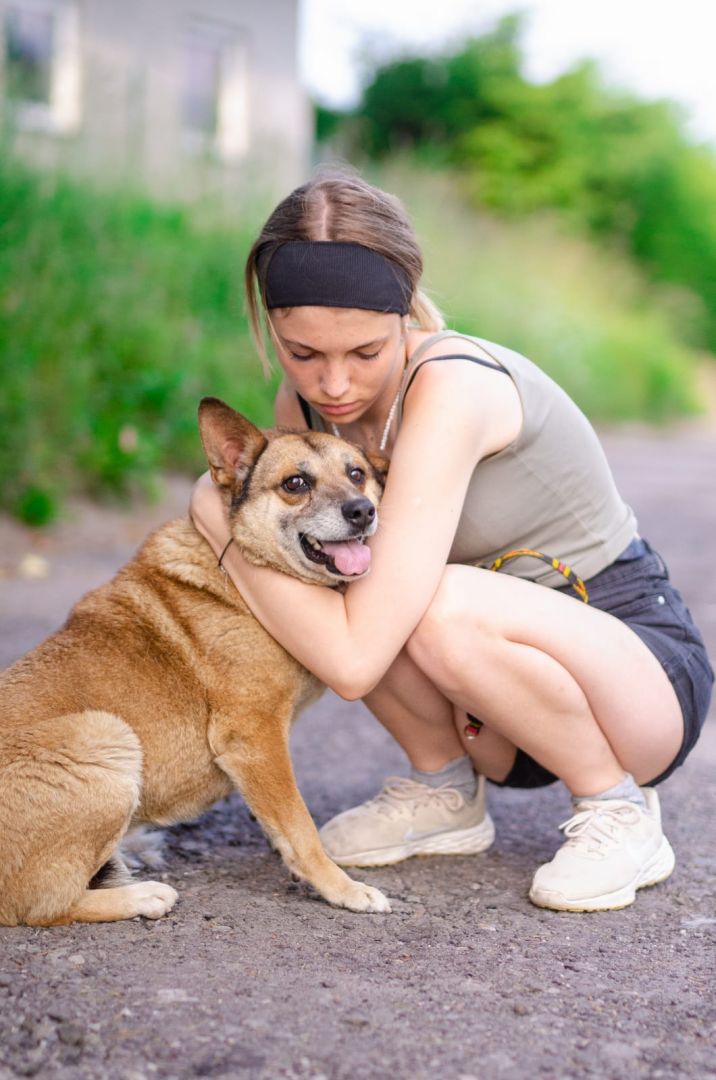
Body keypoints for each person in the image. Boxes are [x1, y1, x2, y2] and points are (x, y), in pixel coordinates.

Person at [191, 172, 714, 913]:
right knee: (328, 555)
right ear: (273, 330)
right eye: (303, 353)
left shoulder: (452, 385)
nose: (332, 384)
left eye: (365, 352)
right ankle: (442, 789)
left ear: (405, 312)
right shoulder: (303, 409)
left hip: (634, 676)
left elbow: (355, 658)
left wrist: (216, 517)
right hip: (490, 711)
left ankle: (617, 807)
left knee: (422, 598)